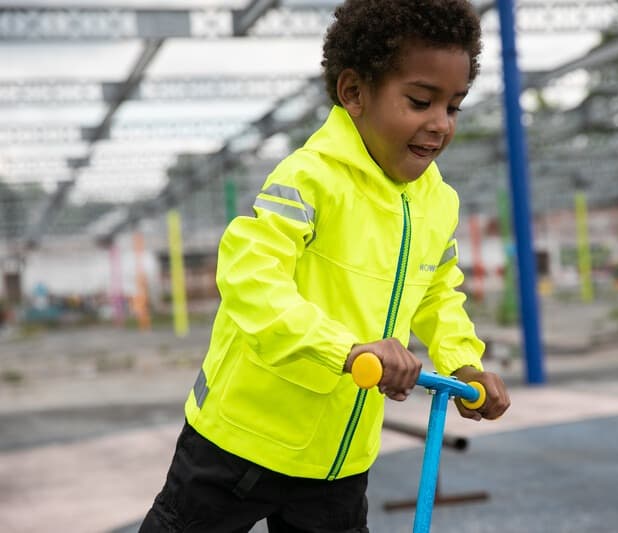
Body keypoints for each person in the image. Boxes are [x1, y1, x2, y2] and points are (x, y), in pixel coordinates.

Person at [141, 0, 510, 531]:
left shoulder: (438, 202)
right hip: (243, 440)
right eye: (420, 101)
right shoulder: (309, 178)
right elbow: (251, 279)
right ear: (354, 93)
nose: (439, 124)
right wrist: (347, 350)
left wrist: (462, 363)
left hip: (339, 460)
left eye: (453, 106)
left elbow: (437, 293)